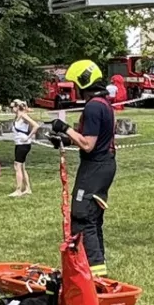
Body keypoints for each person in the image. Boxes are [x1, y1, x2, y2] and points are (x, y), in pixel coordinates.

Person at [56, 59, 118, 276]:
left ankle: (91, 274)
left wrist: (64, 128)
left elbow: (88, 145)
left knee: (82, 219)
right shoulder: (104, 104)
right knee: (93, 219)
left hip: (94, 167)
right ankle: (99, 270)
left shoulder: (93, 106)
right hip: (104, 165)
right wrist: (65, 138)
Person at [8, 101, 36, 197]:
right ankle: (27, 188)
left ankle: (18, 190)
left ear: (17, 107)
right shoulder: (18, 117)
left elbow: (36, 125)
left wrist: (29, 137)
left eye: (12, 107)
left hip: (23, 144)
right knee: (22, 167)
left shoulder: (23, 116)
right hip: (19, 144)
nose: (11, 109)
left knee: (17, 166)